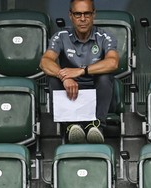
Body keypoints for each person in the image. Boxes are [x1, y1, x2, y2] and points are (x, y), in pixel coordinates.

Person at [40, 0, 119, 144]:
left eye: (87, 14)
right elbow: (45, 62)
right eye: (78, 14)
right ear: (70, 15)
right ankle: (70, 125)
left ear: (93, 14)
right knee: (52, 78)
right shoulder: (61, 36)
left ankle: (96, 125)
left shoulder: (105, 36)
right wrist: (63, 77)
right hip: (71, 93)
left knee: (105, 76)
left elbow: (113, 62)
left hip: (98, 95)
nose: (83, 19)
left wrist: (81, 71)